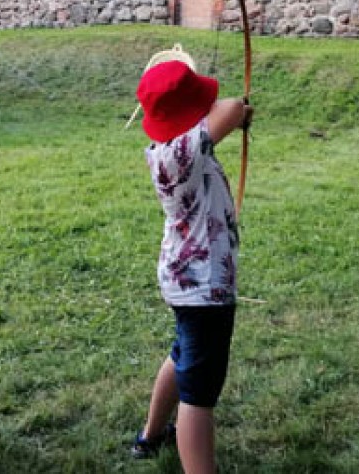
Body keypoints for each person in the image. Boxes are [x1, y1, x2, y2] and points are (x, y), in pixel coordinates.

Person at [131, 59, 252, 474]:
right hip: (205, 289)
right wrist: (236, 116)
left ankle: (150, 436)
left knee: (182, 354)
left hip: (189, 281)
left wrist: (229, 120)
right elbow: (232, 107)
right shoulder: (178, 155)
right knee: (199, 396)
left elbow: (223, 118)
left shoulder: (175, 149)